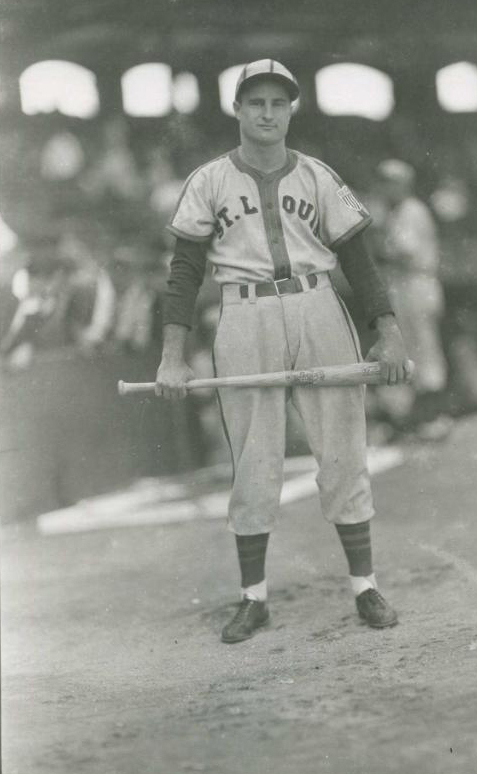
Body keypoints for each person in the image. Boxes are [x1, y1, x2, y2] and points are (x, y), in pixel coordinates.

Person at [156, 60, 413, 643]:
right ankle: (254, 599)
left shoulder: (319, 176)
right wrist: (173, 355)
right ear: (237, 109)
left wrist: (389, 331)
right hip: (244, 313)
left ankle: (365, 586)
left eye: (278, 103)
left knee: (343, 448)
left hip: (317, 305)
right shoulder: (208, 181)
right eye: (256, 103)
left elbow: (360, 261)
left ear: (291, 109)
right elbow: (183, 273)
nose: (267, 113)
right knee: (254, 458)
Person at [373, 159, 451, 440]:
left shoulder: (412, 210)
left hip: (417, 283)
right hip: (404, 285)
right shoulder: (395, 212)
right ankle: (418, 419)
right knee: (408, 351)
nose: (386, 188)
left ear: (404, 184)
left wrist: (377, 242)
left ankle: (435, 417)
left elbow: (403, 252)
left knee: (424, 350)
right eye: (383, 182)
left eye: (391, 182)